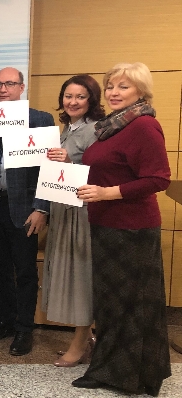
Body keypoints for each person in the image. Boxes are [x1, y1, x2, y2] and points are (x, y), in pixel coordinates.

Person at [72, 63, 171, 396]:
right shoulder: (111, 127)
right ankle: (108, 369)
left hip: (132, 229)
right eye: (110, 86)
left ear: (141, 91)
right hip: (105, 225)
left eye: (123, 87)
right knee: (111, 303)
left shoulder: (144, 125)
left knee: (132, 304)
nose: (114, 92)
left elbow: (158, 179)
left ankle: (132, 376)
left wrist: (106, 193)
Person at [0, 67, 54, 356]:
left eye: (9, 84)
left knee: (25, 270)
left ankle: (24, 328)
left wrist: (42, 207)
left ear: (21, 87)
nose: (3, 89)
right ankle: (4, 320)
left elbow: (49, 167)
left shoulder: (39, 119)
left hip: (23, 207)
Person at [42, 75, 105, 367]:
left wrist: (70, 163)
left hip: (82, 213)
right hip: (63, 209)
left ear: (91, 100)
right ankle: (87, 339)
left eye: (80, 96)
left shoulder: (96, 130)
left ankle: (80, 343)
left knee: (81, 276)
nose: (73, 102)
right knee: (71, 274)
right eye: (68, 96)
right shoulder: (68, 128)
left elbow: (101, 171)